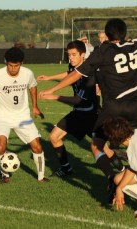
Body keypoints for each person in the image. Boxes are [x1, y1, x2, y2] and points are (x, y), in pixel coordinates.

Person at [39, 18, 137, 199]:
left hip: (113, 108)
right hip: (136, 107)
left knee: (96, 146)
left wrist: (53, 89)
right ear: (125, 32)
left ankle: (113, 179)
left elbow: (76, 74)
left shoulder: (103, 51)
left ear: (108, 34)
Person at [0, 47, 49, 183]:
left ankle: (41, 177)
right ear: (5, 62)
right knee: (0, 146)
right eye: (11, 65)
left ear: (22, 63)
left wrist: (35, 106)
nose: (14, 69)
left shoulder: (27, 73)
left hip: (23, 117)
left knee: (37, 146)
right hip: (2, 117)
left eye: (17, 65)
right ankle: (5, 175)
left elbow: (32, 86)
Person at [37, 40, 101, 177]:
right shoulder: (74, 67)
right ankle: (66, 168)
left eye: (73, 55)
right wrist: (49, 78)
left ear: (83, 55)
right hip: (78, 113)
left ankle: (122, 169)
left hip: (91, 115)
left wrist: (54, 96)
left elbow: (77, 100)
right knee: (54, 136)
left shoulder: (88, 73)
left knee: (103, 149)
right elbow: (69, 74)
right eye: (69, 55)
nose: (70, 58)